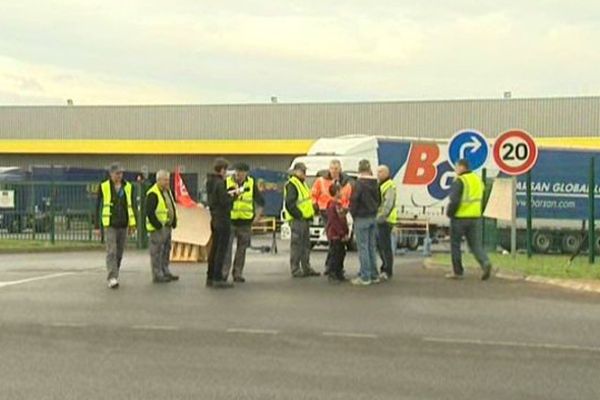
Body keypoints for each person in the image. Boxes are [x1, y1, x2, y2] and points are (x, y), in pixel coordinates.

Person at [446, 159, 492, 281]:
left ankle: (458, 272)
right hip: (475, 217)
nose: (455, 170)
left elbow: (454, 200)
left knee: (455, 245)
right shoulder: (477, 179)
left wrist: (450, 213)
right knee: (475, 245)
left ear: (462, 167)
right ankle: (485, 262)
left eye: (456, 167)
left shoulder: (460, 180)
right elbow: (484, 197)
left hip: (459, 218)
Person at [95, 162, 136, 289]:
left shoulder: (128, 187)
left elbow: (132, 206)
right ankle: (112, 277)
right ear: (111, 174)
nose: (119, 176)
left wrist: (133, 224)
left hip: (123, 223)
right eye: (117, 173)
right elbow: (97, 207)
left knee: (119, 252)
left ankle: (115, 272)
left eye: (121, 173)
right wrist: (97, 226)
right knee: (111, 251)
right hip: (110, 224)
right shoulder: (104, 186)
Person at [223, 162, 265, 283]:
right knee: (227, 249)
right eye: (237, 171)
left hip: (245, 222)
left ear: (246, 173)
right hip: (230, 220)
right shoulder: (227, 182)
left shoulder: (251, 183)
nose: (238, 174)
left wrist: (257, 217)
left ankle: (238, 273)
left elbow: (260, 201)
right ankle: (224, 273)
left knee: (242, 249)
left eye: (241, 172)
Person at [311, 159, 352, 274]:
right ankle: (331, 267)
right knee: (333, 239)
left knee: (337, 242)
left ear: (340, 169)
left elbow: (348, 197)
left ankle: (333, 266)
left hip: (341, 210)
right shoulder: (321, 180)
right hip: (326, 210)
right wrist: (315, 206)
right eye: (332, 168)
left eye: (336, 169)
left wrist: (346, 208)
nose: (334, 171)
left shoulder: (345, 183)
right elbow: (314, 194)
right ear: (329, 169)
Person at [284, 162, 320, 278]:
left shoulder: (302, 184)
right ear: (296, 171)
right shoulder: (292, 184)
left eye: (305, 171)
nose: (304, 173)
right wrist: (298, 215)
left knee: (305, 245)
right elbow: (290, 203)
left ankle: (306, 267)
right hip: (297, 220)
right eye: (302, 171)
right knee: (297, 245)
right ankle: (295, 269)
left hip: (304, 219)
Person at [350, 159, 381, 286]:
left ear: (359, 169)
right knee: (371, 247)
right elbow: (379, 200)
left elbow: (354, 201)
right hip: (373, 217)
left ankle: (365, 276)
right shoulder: (375, 183)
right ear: (369, 169)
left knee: (363, 248)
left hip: (361, 217)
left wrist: (353, 214)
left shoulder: (359, 184)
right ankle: (374, 274)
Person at [206, 158, 235, 288]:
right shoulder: (220, 183)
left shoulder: (210, 182)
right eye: (226, 169)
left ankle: (210, 276)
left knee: (214, 248)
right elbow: (224, 201)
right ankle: (218, 278)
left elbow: (215, 199)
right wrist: (233, 196)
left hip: (214, 218)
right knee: (221, 249)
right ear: (222, 169)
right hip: (223, 219)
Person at [145, 170, 179, 283]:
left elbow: (171, 206)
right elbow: (149, 212)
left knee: (166, 250)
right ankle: (157, 274)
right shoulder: (153, 193)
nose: (167, 182)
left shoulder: (167, 192)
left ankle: (165, 270)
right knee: (157, 252)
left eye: (168, 180)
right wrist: (158, 225)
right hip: (158, 228)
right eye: (165, 180)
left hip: (167, 226)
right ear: (158, 180)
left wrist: (173, 221)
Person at [376, 165, 398, 281]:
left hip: (386, 220)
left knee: (385, 247)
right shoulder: (381, 184)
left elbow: (388, 204)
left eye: (381, 172)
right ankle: (384, 267)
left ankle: (387, 270)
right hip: (382, 219)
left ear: (386, 173)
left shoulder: (389, 185)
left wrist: (380, 217)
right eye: (378, 171)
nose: (378, 174)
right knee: (381, 246)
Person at [325, 184, 349, 283]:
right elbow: (334, 221)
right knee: (335, 254)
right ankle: (332, 274)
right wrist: (341, 232)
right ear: (336, 192)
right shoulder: (332, 205)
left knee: (341, 253)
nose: (342, 193)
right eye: (340, 191)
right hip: (335, 234)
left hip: (340, 234)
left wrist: (346, 231)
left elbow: (343, 219)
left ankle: (339, 272)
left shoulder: (338, 204)